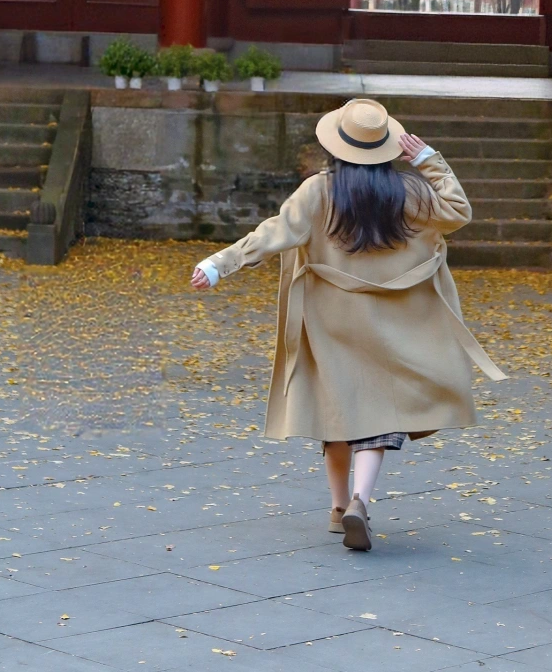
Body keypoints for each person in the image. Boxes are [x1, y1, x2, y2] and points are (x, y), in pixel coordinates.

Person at [191, 96, 506, 552]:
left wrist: (222, 263)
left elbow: (274, 232)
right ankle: (360, 499)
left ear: (335, 145)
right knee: (379, 415)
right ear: (387, 146)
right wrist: (427, 160)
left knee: (338, 411)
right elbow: (458, 212)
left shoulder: (318, 191)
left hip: (332, 321)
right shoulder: (409, 191)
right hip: (394, 322)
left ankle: (339, 508)